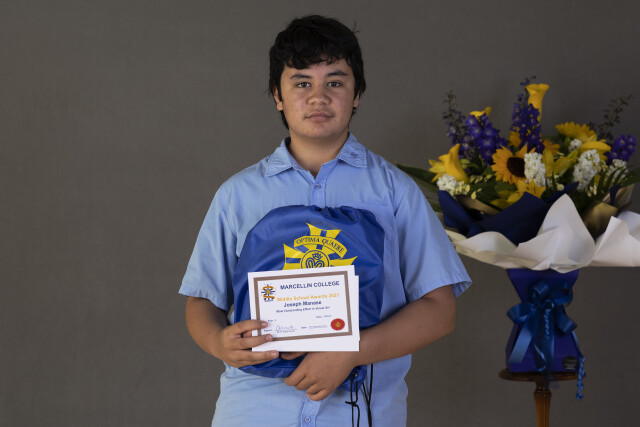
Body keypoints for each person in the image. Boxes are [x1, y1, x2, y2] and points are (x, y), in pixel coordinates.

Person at [179, 15, 471, 426]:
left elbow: (440, 310)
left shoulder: (394, 192)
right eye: (301, 83)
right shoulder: (237, 195)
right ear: (277, 96)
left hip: (361, 412)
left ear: (357, 94)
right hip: (255, 411)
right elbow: (202, 300)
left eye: (335, 82)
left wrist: (352, 350)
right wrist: (218, 341)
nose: (318, 97)